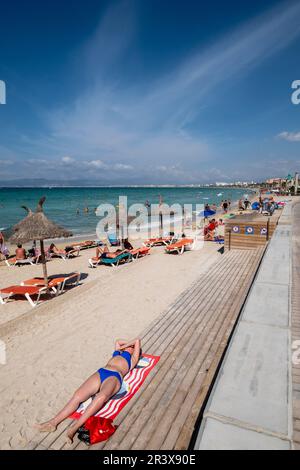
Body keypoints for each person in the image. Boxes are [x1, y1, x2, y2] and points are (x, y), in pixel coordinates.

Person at [35, 338, 142, 443]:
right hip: (101, 372)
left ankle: (73, 429)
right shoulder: (117, 353)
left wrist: (127, 347)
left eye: (132, 347)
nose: (130, 347)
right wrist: (125, 347)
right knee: (78, 396)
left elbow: (137, 340)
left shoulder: (132, 360)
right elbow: (118, 341)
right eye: (129, 346)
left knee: (101, 397)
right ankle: (52, 423)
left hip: (114, 377)